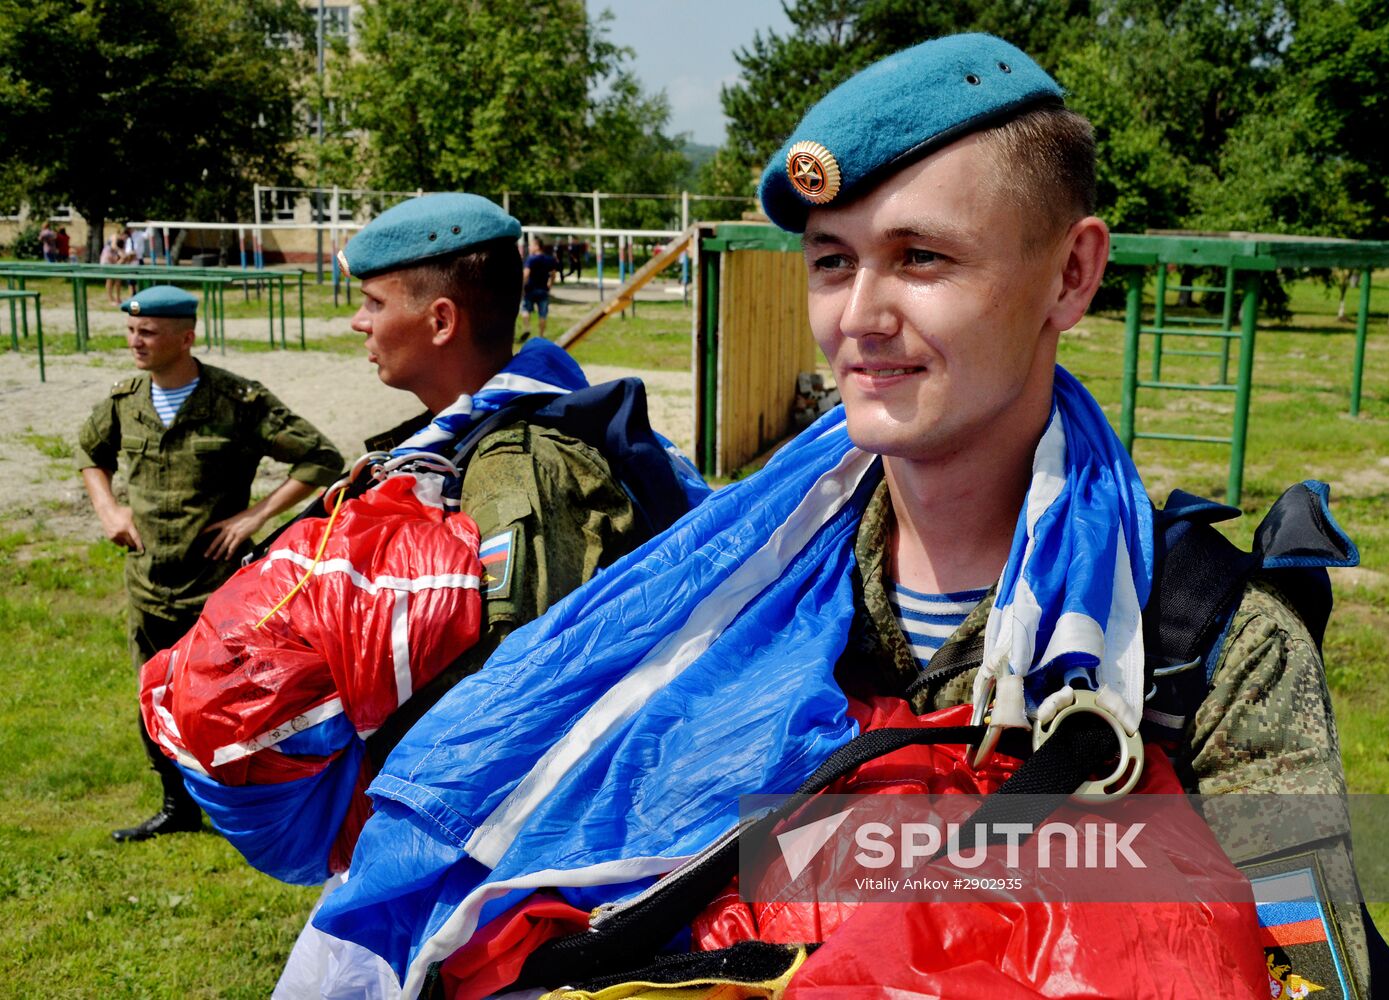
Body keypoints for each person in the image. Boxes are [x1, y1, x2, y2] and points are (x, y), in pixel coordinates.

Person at [303, 36, 1372, 998]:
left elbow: (1323, 959)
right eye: (831, 261)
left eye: (921, 257)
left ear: (1071, 274)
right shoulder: (722, 607)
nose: (859, 318)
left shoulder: (1199, 646)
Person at [75, 285, 344, 843]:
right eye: (131, 331)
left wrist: (255, 516)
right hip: (150, 582)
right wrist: (108, 508)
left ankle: (243, 809)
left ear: (186, 337)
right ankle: (176, 806)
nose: (135, 342)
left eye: (147, 332)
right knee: (152, 696)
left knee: (226, 700)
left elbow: (321, 457)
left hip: (215, 587)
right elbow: (90, 454)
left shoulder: (236, 401)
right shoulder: (126, 401)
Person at [519, 236, 560, 341]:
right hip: (543, 290)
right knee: (543, 314)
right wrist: (550, 285)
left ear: (537, 246)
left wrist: (522, 287)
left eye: (531, 245)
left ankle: (527, 327)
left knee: (525, 309)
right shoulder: (549, 259)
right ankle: (541, 336)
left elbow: (526, 274)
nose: (529, 247)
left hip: (530, 289)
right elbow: (553, 274)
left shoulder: (531, 259)